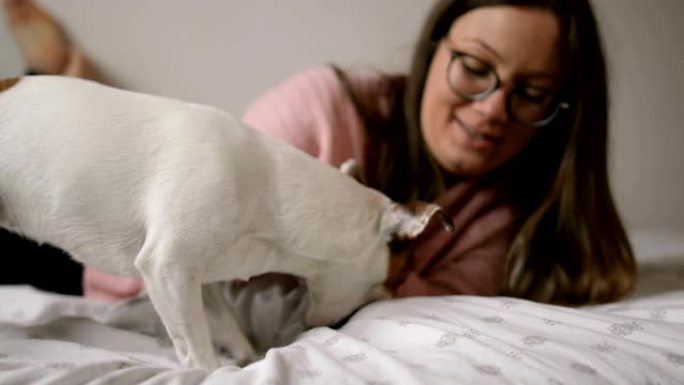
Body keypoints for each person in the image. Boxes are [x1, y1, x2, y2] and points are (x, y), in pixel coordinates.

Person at [2, 0, 636, 347]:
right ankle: (51, 75)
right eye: (475, 66)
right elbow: (174, 227)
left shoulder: (504, 216)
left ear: (562, 113)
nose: (492, 109)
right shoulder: (319, 112)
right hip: (102, 250)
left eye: (530, 92)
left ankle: (51, 77)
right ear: (435, 47)